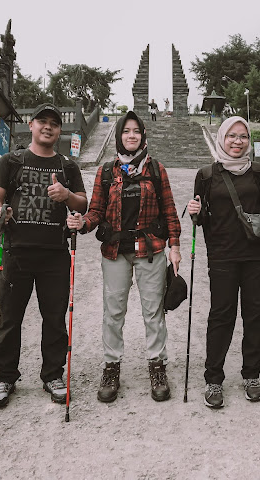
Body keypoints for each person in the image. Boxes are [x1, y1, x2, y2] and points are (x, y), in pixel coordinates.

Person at [67, 111, 181, 403]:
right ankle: (112, 365)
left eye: (136, 131)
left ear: (143, 135)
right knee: (114, 311)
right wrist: (84, 224)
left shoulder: (156, 169)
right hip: (115, 252)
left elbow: (169, 210)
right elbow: (95, 211)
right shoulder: (107, 171)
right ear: (119, 136)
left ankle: (157, 365)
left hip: (151, 250)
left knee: (153, 310)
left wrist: (176, 245)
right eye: (126, 131)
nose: (132, 136)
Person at [0, 103, 88, 408]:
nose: (48, 127)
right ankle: (4, 376)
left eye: (54, 123)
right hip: (16, 250)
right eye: (42, 121)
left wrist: (66, 196)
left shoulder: (68, 167)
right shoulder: (12, 160)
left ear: (60, 130)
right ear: (31, 125)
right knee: (9, 319)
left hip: (55, 254)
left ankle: (53, 374)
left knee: (55, 319)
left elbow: (82, 203)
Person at [186, 116, 260, 409]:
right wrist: (195, 211)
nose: (237, 141)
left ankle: (251, 375)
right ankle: (213, 378)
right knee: (221, 315)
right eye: (231, 136)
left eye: (243, 136)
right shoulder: (206, 175)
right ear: (221, 138)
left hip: (258, 255)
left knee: (254, 316)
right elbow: (202, 216)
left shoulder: (258, 172)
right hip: (222, 255)